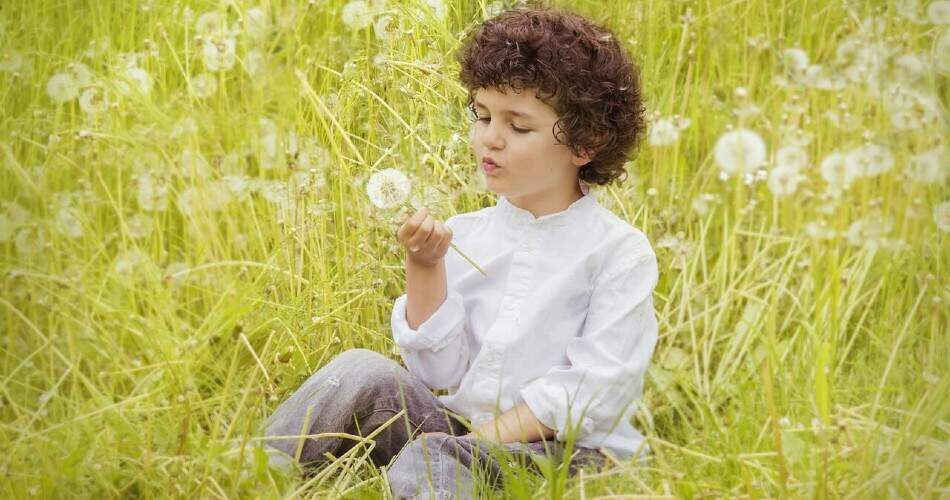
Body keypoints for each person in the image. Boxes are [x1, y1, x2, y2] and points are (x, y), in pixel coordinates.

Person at [257, 6, 656, 498]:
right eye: (482, 115)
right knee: (362, 370)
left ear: (585, 144)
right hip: (464, 434)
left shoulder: (618, 253)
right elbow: (437, 374)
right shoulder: (466, 235)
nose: (490, 137)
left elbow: (591, 391)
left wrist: (468, 441)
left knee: (436, 456)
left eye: (519, 126)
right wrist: (424, 266)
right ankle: (249, 474)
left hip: (567, 453)